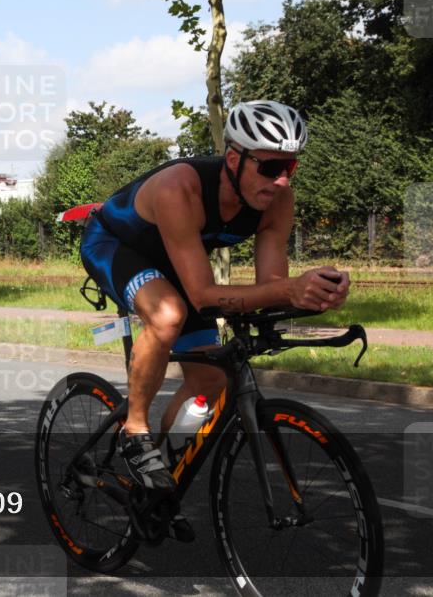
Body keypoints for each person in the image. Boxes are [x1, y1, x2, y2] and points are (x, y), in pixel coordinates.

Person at [80, 100, 350, 494]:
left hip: (176, 258)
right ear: (233, 159)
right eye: (271, 167)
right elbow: (204, 296)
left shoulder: (278, 200)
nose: (282, 181)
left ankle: (158, 478)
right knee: (168, 314)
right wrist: (287, 288)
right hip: (113, 245)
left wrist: (315, 294)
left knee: (211, 379)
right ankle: (134, 430)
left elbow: (272, 286)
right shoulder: (180, 187)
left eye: (290, 167)